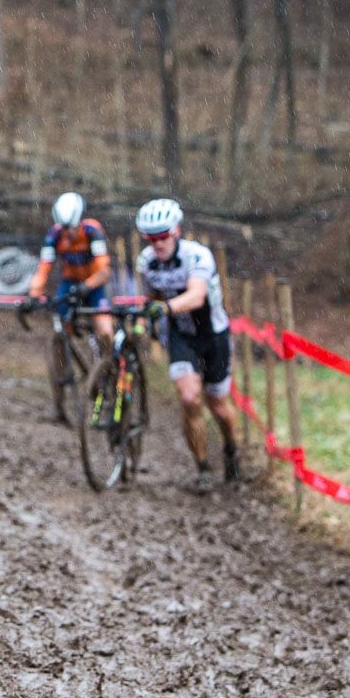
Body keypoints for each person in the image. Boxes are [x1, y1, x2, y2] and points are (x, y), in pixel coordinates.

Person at [134, 198, 240, 494]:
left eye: (162, 236)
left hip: (213, 335)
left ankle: (231, 448)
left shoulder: (197, 256)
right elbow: (150, 298)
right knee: (189, 398)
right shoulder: (147, 262)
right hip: (181, 336)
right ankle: (203, 467)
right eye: (150, 238)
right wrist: (144, 320)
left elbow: (196, 296)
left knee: (218, 406)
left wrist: (164, 308)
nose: (157, 243)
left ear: (176, 231)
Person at [23, 191, 114, 421]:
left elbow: (104, 270)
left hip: (93, 285)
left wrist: (87, 286)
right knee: (59, 334)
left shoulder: (93, 231)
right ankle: (60, 398)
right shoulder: (55, 234)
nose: (69, 233)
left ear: (80, 220)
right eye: (65, 229)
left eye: (72, 227)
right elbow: (44, 267)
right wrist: (34, 294)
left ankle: (109, 372)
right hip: (69, 283)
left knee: (104, 330)